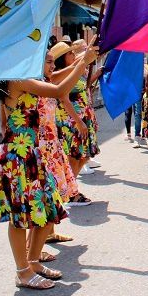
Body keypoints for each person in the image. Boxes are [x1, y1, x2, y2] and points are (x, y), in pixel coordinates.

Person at [0, 45, 97, 290]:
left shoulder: (35, 79)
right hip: (19, 156)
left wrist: (82, 59)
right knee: (20, 217)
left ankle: (32, 261)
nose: (50, 65)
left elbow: (58, 78)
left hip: (35, 153)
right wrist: (83, 63)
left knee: (48, 209)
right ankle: (22, 271)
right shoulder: (18, 80)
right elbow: (60, 89)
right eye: (45, 59)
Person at [52, 41, 97, 207]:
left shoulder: (74, 69)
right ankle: (70, 192)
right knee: (75, 156)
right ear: (62, 58)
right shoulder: (61, 76)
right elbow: (63, 98)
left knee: (83, 156)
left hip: (82, 118)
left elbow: (83, 58)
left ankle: (71, 188)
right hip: (70, 121)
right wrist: (78, 122)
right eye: (70, 53)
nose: (74, 55)